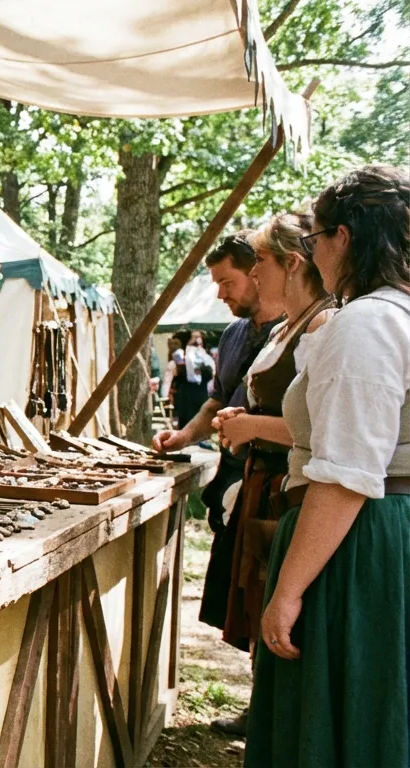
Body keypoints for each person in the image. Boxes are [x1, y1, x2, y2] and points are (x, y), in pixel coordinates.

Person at [246, 166, 410, 766]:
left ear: (344, 237)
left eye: (315, 238)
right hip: (380, 535)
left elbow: (347, 473)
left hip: (359, 545)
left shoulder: (368, 323)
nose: (312, 252)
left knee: (349, 719)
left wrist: (288, 590)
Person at [204, 212, 336, 735]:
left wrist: (254, 423)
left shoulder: (327, 323)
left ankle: (285, 722)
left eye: (259, 261)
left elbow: (324, 426)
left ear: (293, 262)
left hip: (293, 488)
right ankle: (268, 712)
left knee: (284, 607)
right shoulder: (289, 325)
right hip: (264, 480)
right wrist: (243, 420)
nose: (253, 274)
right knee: (261, 600)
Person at [150, 233, 286, 697]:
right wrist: (184, 436)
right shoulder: (231, 335)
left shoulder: (299, 327)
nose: (220, 294)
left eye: (227, 282)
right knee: (247, 595)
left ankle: (269, 708)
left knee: (275, 595)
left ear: (257, 272)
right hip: (240, 478)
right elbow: (216, 402)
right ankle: (258, 704)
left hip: (285, 485)